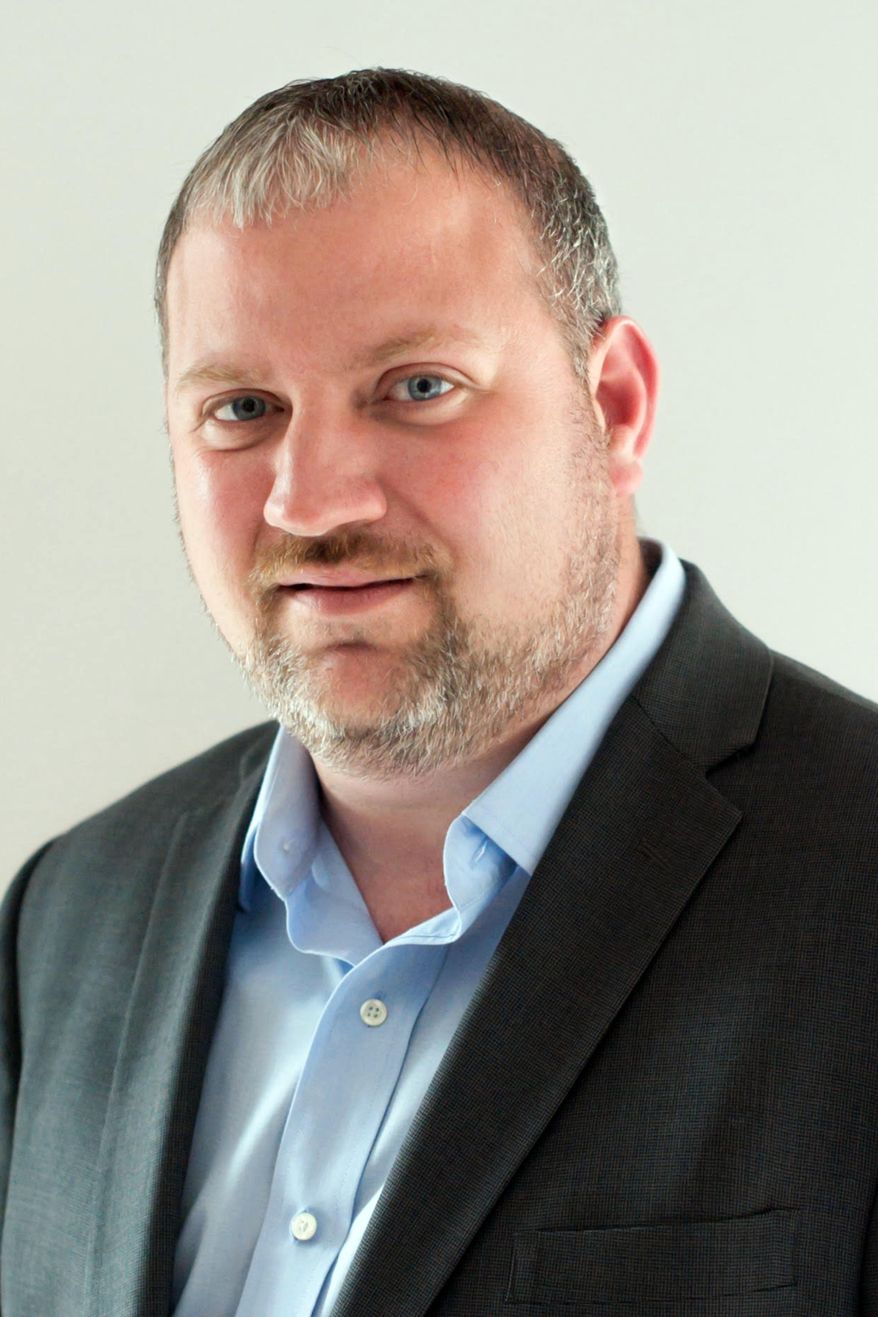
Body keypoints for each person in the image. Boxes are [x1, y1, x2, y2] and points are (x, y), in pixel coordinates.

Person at [2, 67, 877, 1317]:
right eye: (241, 409)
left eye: (416, 388)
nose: (311, 501)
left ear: (613, 406)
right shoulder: (68, 916)